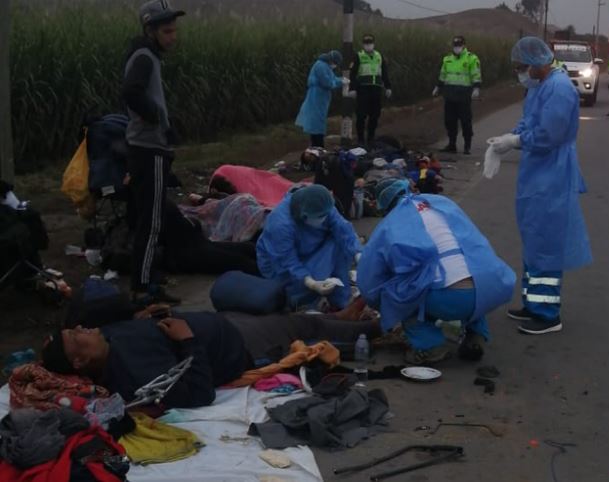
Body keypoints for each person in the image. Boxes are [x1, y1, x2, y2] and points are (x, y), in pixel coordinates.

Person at [41, 310, 381, 409]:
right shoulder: (138, 373)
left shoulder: (107, 337)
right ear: (80, 363)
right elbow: (198, 393)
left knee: (300, 320)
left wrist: (145, 317)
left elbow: (142, 333)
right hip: (238, 347)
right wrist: (188, 341)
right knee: (306, 330)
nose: (84, 328)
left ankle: (349, 318)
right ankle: (378, 328)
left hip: (223, 326)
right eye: (76, 336)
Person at [489, 37, 592, 335]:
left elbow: (549, 134)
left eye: (522, 67)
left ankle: (548, 314)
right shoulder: (539, 87)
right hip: (538, 171)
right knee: (534, 237)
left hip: (552, 172)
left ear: (537, 63)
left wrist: (517, 141)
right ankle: (533, 303)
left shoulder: (559, 89)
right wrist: (507, 138)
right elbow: (529, 121)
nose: (520, 73)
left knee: (545, 241)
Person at [357, 179, 515, 365]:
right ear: (408, 188)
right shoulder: (441, 203)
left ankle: (430, 347)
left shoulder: (390, 224)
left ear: (384, 205)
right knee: (466, 272)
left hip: (447, 298)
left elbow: (369, 282)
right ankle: (476, 334)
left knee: (402, 296)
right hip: (491, 286)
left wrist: (383, 306)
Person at [122, 0, 185, 305]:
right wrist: (154, 118)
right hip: (149, 150)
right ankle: (143, 287)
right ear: (150, 30)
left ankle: (145, 280)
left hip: (148, 145)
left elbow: (143, 95)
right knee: (152, 220)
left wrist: (164, 123)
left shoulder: (148, 55)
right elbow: (131, 92)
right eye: (167, 31)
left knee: (147, 217)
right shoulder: (145, 57)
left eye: (174, 30)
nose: (173, 36)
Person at [256, 185, 362, 311]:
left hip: (310, 250)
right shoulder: (280, 224)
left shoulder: (321, 204)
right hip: (280, 267)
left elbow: (343, 229)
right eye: (322, 217)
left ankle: (340, 301)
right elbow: (287, 261)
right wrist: (310, 283)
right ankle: (303, 303)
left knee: (340, 243)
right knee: (309, 284)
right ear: (304, 216)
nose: (326, 219)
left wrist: (359, 255)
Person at [432, 36, 482, 155]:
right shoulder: (447, 59)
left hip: (464, 94)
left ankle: (467, 145)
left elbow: (476, 73)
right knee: (450, 121)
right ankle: (452, 144)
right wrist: (438, 87)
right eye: (455, 45)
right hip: (449, 94)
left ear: (464, 45)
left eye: (459, 45)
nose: (457, 48)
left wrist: (476, 88)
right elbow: (443, 75)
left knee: (465, 121)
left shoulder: (471, 58)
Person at [295, 50, 349, 148]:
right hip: (316, 97)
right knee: (317, 124)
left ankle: (316, 146)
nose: (335, 66)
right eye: (335, 63)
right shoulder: (321, 66)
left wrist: (341, 79)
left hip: (320, 98)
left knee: (318, 122)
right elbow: (327, 82)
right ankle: (318, 147)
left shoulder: (326, 66)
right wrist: (340, 82)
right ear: (332, 60)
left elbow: (332, 78)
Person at [350, 34, 392, 145]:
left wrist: (388, 87)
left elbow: (384, 72)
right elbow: (353, 74)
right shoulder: (358, 56)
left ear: (374, 44)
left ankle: (371, 138)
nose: (368, 45)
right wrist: (352, 88)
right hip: (363, 88)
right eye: (366, 43)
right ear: (363, 44)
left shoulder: (379, 56)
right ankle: (360, 139)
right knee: (361, 115)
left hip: (376, 88)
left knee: (375, 115)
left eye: (370, 43)